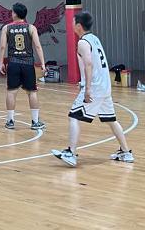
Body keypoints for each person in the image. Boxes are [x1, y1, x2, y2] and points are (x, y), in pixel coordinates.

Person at [52, 11, 133, 167]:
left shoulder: (83, 42)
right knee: (111, 120)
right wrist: (84, 81)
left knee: (73, 117)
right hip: (104, 86)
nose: (71, 24)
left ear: (79, 25)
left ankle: (71, 153)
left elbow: (89, 64)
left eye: (73, 22)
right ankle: (126, 152)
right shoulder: (94, 39)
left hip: (95, 87)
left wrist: (87, 87)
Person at [0, 3, 46, 131]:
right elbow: (37, 46)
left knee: (11, 92)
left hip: (13, 63)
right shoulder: (31, 28)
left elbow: (2, 47)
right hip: (28, 63)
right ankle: (35, 122)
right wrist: (42, 63)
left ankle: (10, 121)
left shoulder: (6, 28)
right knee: (32, 92)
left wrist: (1, 62)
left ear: (15, 14)